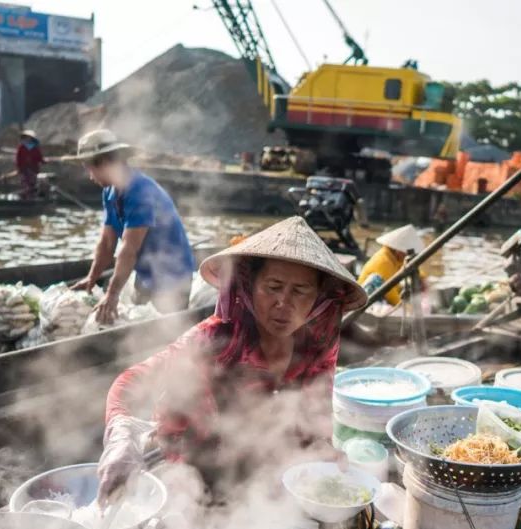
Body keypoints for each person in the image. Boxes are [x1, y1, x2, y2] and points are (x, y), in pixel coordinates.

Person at [95, 216, 367, 503]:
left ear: (318, 299)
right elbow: (131, 382)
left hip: (261, 474)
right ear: (249, 286)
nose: (283, 303)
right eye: (273, 286)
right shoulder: (214, 340)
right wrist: (122, 437)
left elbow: (314, 416)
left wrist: (322, 449)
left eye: (300, 292)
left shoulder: (315, 347)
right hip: (186, 473)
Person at [68, 129, 196, 322]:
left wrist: (111, 295)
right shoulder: (110, 191)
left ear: (103, 163)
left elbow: (128, 249)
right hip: (145, 272)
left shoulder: (140, 191)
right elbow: (106, 244)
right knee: (137, 323)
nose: (89, 175)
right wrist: (92, 278)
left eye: (88, 167)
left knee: (165, 334)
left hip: (172, 276)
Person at [357, 225, 424, 306]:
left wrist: (422, 277)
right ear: (398, 250)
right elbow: (390, 292)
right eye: (406, 252)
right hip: (366, 297)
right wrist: (407, 309)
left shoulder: (396, 259)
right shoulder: (384, 261)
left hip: (387, 291)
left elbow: (410, 266)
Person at [15, 129, 44, 199]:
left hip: (33, 169)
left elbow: (39, 157)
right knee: (24, 183)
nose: (26, 139)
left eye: (28, 138)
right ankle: (25, 198)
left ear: (31, 139)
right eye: (25, 138)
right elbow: (18, 158)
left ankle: (31, 197)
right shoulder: (21, 148)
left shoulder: (35, 148)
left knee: (32, 184)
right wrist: (19, 167)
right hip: (23, 169)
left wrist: (43, 161)